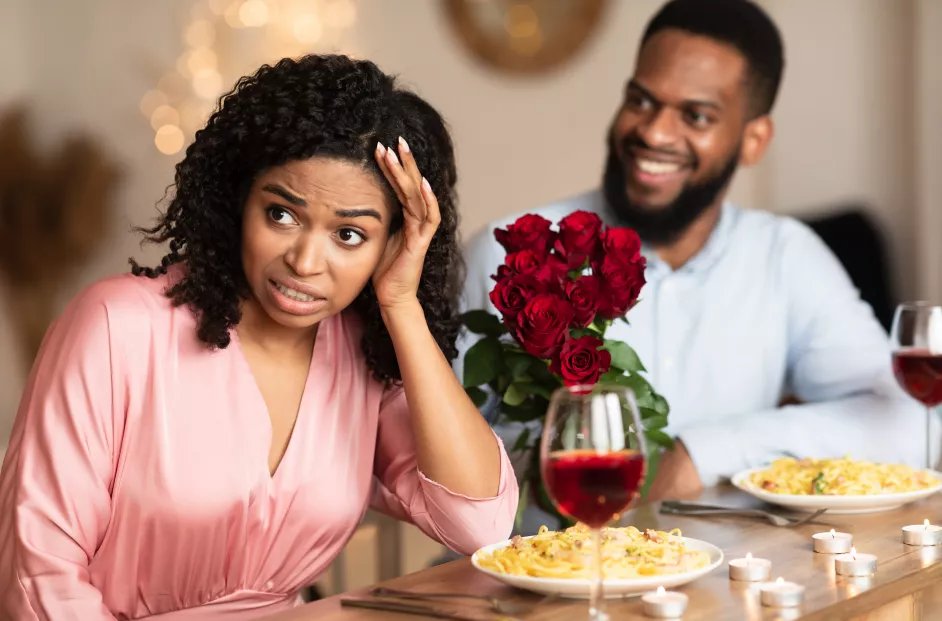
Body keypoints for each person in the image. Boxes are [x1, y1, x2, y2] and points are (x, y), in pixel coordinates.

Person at [0, 54, 517, 620]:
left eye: (349, 234)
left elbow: (480, 524)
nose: (305, 260)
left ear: (389, 244)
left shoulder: (362, 354)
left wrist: (400, 303)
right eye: (281, 215)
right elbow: (39, 573)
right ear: (238, 199)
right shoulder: (114, 326)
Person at [458, 0, 933, 533]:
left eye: (696, 115)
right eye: (641, 100)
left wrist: (702, 452)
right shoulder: (508, 253)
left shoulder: (785, 256)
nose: (655, 134)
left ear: (753, 140)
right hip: (524, 592)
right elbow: (426, 461)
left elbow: (909, 421)